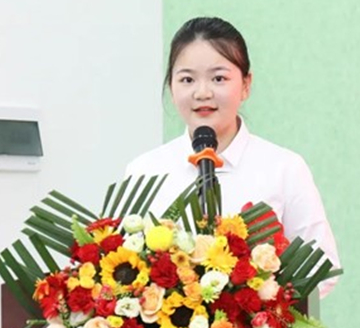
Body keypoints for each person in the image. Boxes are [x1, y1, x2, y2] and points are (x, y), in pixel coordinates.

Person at [124, 17, 341, 298]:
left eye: (219, 78)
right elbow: (123, 268)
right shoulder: (144, 170)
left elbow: (321, 267)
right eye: (187, 79)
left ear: (246, 84)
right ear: (171, 86)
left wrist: (260, 302)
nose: (202, 93)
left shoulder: (284, 168)